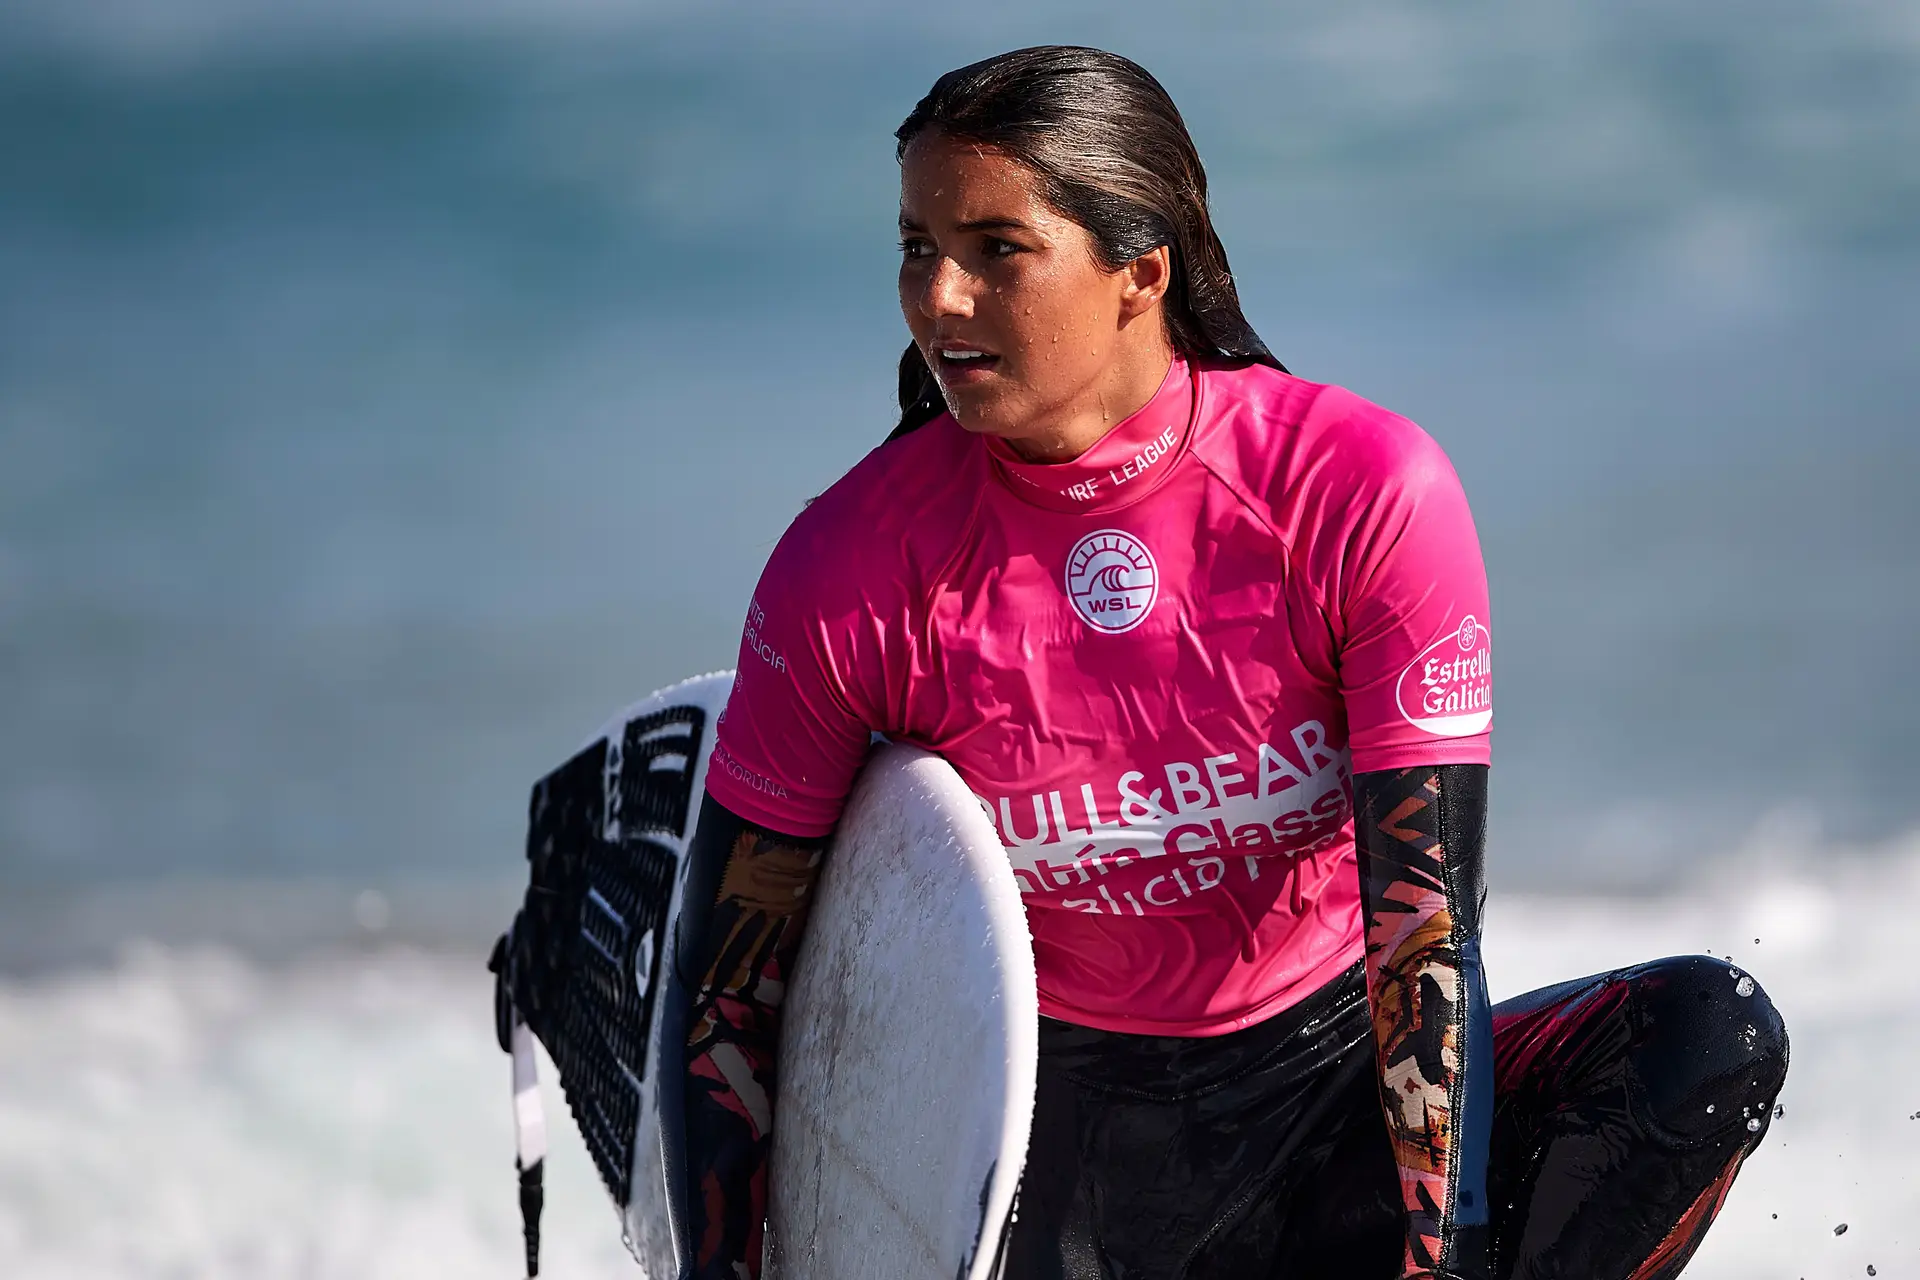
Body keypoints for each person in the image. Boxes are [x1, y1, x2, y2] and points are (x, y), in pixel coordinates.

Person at [663, 46, 1788, 1280]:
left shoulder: (1353, 491)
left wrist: (1441, 1260)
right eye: (916, 246)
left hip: (1334, 1109)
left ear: (1140, 270)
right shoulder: (853, 564)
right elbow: (729, 998)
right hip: (1050, 1156)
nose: (939, 296)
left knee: (1706, 1033)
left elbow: (1423, 937)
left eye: (996, 248)